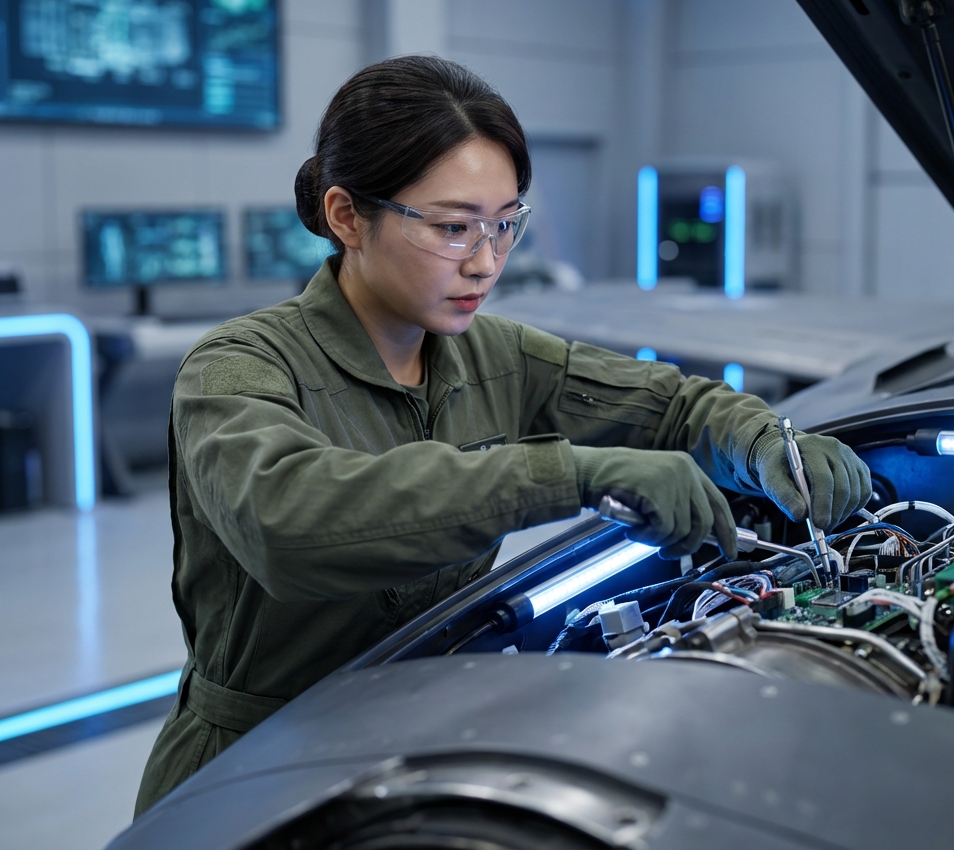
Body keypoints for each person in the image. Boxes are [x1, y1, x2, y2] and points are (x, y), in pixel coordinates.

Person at [134, 56, 871, 815]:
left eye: (506, 225)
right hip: (255, 772)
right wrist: (570, 474)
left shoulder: (502, 355)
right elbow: (287, 522)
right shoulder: (236, 369)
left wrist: (766, 443)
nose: (486, 263)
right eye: (453, 228)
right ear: (348, 216)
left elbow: (675, 408)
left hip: (420, 743)